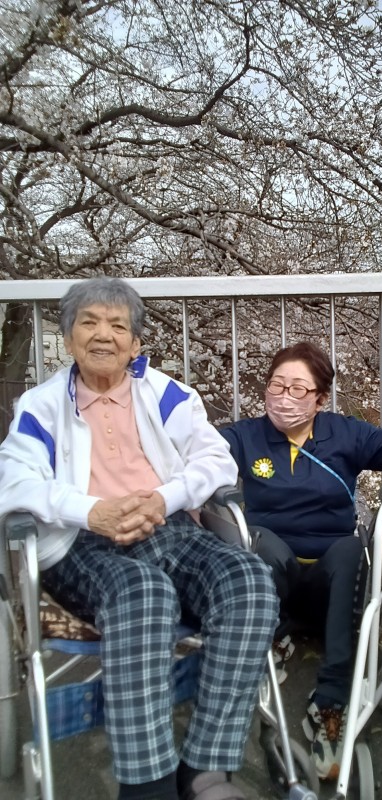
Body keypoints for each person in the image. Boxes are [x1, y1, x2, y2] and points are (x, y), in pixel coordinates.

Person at [0, 277, 278, 800]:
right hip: (82, 543)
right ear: (68, 338)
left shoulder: (164, 393)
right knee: (144, 593)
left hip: (165, 526)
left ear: (135, 344)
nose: (103, 335)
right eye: (89, 323)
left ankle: (206, 769)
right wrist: (92, 511)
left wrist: (164, 499)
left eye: (117, 325)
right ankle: (148, 785)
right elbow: (13, 483)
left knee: (250, 582)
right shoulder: (41, 406)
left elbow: (216, 460)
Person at [220, 341, 382, 781]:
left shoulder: (345, 433)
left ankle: (331, 699)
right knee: (260, 542)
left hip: (333, 578)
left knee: (350, 549)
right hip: (275, 574)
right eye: (276, 385)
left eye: (298, 389)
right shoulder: (245, 436)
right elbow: (197, 453)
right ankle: (273, 639)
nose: (283, 398)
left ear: (321, 398)